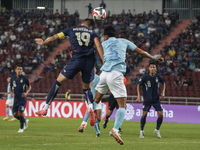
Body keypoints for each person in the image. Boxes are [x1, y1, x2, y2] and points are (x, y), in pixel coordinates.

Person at [93, 26, 163, 145]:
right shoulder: (124, 41)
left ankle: (90, 110)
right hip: (115, 74)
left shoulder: (104, 43)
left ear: (105, 36)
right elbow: (140, 52)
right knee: (122, 105)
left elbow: (98, 50)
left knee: (96, 99)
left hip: (103, 73)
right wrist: (152, 57)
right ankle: (115, 129)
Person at [35, 19, 104, 127]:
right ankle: (90, 107)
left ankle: (45, 108)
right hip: (89, 62)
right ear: (90, 27)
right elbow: (98, 46)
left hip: (76, 60)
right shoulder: (92, 33)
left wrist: (44, 42)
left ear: (82, 24)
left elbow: (55, 37)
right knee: (87, 88)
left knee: (58, 82)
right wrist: (103, 60)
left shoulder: (71, 30)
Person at [136, 62, 165, 139]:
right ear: (148, 69)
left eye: (154, 67)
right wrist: (139, 95)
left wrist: (163, 92)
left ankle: (157, 130)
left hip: (156, 99)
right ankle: (141, 131)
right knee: (144, 115)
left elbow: (163, 83)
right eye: (151, 67)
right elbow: (138, 85)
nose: (152, 68)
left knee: (161, 115)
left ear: (156, 69)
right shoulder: (145, 77)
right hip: (147, 100)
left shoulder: (158, 77)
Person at [78, 68, 102, 137]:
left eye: (94, 68)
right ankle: (98, 132)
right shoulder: (86, 76)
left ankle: (95, 122)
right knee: (92, 115)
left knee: (99, 119)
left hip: (97, 100)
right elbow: (80, 70)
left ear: (96, 70)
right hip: (89, 100)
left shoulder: (98, 78)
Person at [10, 64, 31, 132]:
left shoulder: (24, 78)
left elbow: (29, 86)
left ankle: (21, 128)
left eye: (20, 69)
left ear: (22, 71)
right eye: (18, 69)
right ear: (15, 70)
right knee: (15, 114)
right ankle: (24, 121)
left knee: (20, 113)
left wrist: (26, 93)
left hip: (22, 99)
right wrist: (11, 92)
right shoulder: (12, 78)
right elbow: (10, 87)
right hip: (16, 99)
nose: (19, 70)